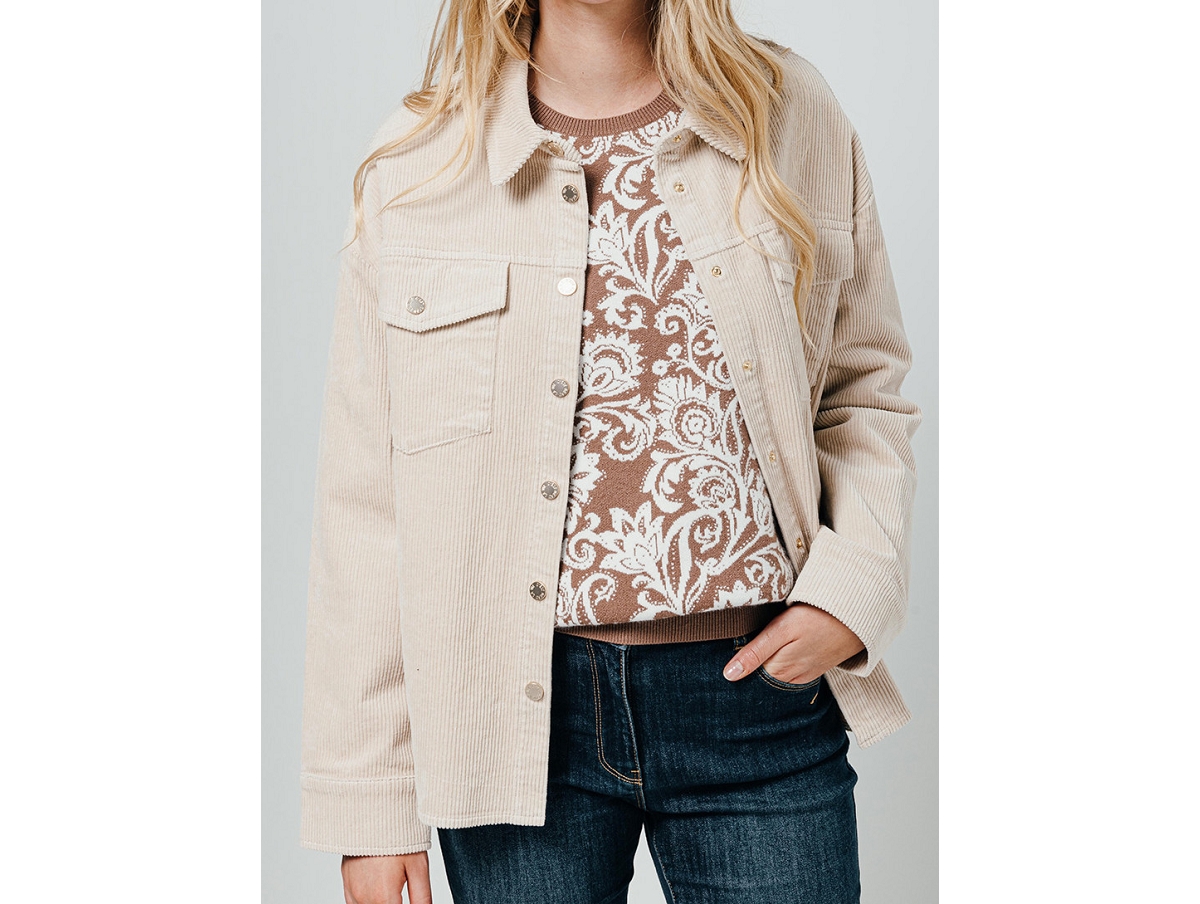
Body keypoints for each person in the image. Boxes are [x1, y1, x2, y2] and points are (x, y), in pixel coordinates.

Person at [299, 0, 922, 901]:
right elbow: (365, 504)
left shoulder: (788, 111)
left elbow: (863, 387)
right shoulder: (420, 160)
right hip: (507, 725)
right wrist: (371, 804)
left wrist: (851, 590)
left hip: (757, 702)